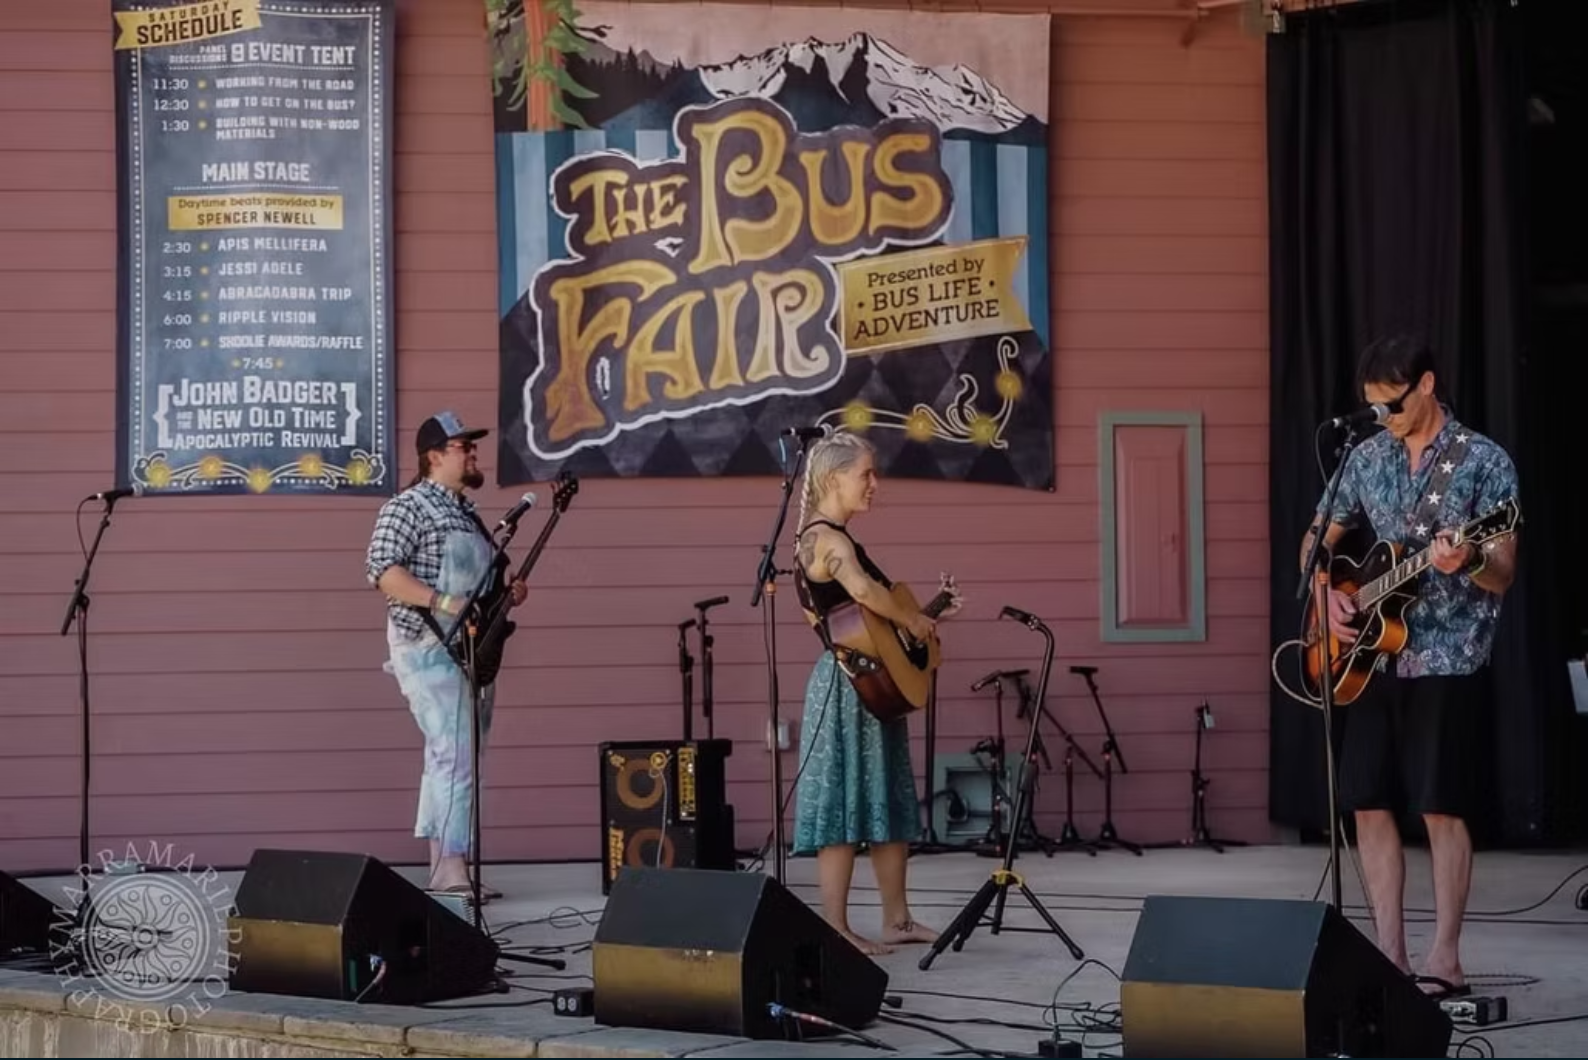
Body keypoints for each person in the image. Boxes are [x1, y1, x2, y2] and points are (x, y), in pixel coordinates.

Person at [1301, 336, 1519, 1000]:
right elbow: (1316, 542)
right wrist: (1327, 595)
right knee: (1367, 803)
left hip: (1448, 654)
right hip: (1371, 657)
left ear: (1426, 384)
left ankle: (1444, 959)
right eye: (1373, 408)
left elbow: (1503, 571)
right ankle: (1389, 959)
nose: (1384, 417)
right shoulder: (1366, 457)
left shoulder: (1483, 460)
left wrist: (1469, 559)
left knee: (1440, 807)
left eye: (1392, 405)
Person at [789, 429, 961, 955]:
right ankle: (836, 927)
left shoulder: (843, 540)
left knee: (888, 799)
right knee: (842, 807)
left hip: (872, 680)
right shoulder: (826, 540)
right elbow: (863, 592)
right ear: (833, 478)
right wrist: (911, 618)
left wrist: (922, 617)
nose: (874, 483)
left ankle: (897, 920)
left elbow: (870, 620)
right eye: (865, 473)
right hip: (847, 685)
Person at [365, 411, 527, 900]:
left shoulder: (466, 514)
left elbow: (482, 588)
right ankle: (450, 866)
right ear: (434, 456)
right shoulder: (407, 506)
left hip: (471, 650)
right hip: (427, 646)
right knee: (453, 754)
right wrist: (443, 601)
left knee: (456, 757)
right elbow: (382, 571)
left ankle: (446, 864)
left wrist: (507, 591)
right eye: (464, 447)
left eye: (473, 447)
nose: (474, 454)